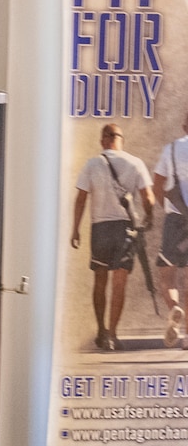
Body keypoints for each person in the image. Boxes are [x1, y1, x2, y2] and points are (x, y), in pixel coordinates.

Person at [72, 122, 156, 353]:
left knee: (100, 282)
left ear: (103, 141)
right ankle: (112, 334)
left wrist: (75, 229)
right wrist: (148, 217)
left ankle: (100, 330)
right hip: (125, 229)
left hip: (100, 228)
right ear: (120, 139)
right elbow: (148, 198)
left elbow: (81, 198)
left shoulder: (92, 163)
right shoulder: (135, 162)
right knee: (119, 284)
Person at [152, 114, 188, 349]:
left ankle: (174, 307)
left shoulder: (171, 149)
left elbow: (157, 184)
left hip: (176, 219)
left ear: (185, 125)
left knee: (168, 276)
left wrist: (163, 206)